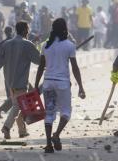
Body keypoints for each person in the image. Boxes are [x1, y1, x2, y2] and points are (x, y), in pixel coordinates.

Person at [34, 18, 86, 153]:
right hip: (63, 84)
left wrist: (35, 85)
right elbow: (75, 68)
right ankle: (56, 135)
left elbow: (41, 67)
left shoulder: (45, 45)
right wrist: (80, 86)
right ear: (65, 29)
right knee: (66, 112)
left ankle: (48, 145)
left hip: (48, 83)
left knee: (49, 114)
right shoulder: (69, 45)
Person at [0, 22, 40, 139]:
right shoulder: (27, 44)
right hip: (20, 82)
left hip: (9, 82)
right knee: (19, 106)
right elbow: (38, 60)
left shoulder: (7, 44)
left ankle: (22, 130)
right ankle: (6, 127)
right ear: (25, 31)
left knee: (25, 104)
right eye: (28, 30)